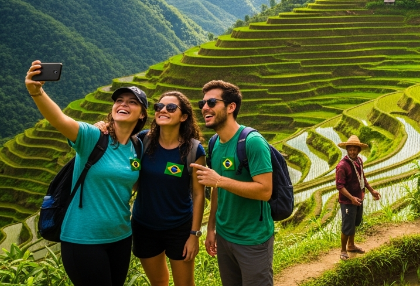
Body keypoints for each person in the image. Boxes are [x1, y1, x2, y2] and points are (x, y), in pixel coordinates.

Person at [25, 60, 146, 286]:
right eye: (119, 100)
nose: (123, 104)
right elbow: (59, 119)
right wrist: (37, 91)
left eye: (132, 102)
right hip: (83, 239)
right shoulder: (92, 137)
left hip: (120, 237)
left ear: (142, 114)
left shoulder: (137, 147)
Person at [190, 80, 274, 286]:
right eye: (202, 103)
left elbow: (265, 191)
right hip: (225, 236)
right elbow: (217, 189)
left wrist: (219, 179)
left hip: (252, 238)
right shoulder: (214, 143)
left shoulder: (252, 141)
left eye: (211, 102)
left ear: (231, 107)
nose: (204, 108)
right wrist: (211, 228)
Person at [125, 91, 206, 286]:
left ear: (184, 116)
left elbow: (198, 193)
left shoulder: (194, 150)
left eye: (171, 108)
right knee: (158, 282)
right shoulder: (143, 141)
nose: (163, 110)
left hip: (179, 227)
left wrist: (194, 235)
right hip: (144, 226)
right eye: (159, 107)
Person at [335, 135, 380, 260]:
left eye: (355, 149)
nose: (353, 151)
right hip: (348, 201)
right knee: (347, 226)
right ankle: (343, 250)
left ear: (359, 150)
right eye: (350, 149)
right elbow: (339, 186)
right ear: (347, 150)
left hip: (358, 198)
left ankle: (351, 245)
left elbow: (362, 178)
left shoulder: (359, 161)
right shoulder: (342, 166)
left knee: (354, 222)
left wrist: (371, 190)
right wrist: (351, 198)